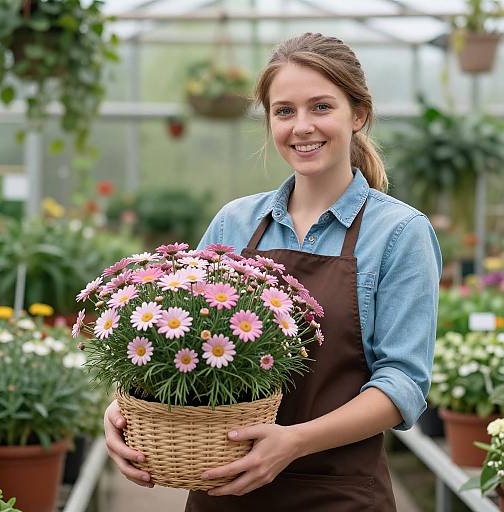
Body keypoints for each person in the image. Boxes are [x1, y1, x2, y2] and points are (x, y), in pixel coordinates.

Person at [104, 32, 442, 511]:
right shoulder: (235, 222)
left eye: (321, 107)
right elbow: (172, 340)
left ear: (359, 114)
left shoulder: (399, 233)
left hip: (338, 493)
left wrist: (293, 442)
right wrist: (121, 412)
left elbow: (402, 383)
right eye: (284, 111)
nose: (301, 126)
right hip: (222, 489)